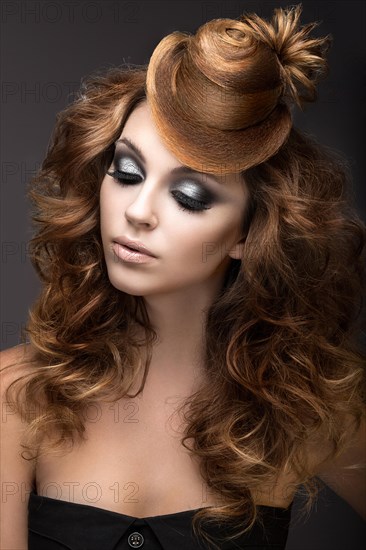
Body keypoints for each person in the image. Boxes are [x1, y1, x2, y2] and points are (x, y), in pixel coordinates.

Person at [1, 4, 365, 549]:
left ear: (249, 233)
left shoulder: (312, 407)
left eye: (190, 195)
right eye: (126, 171)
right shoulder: (18, 395)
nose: (138, 210)